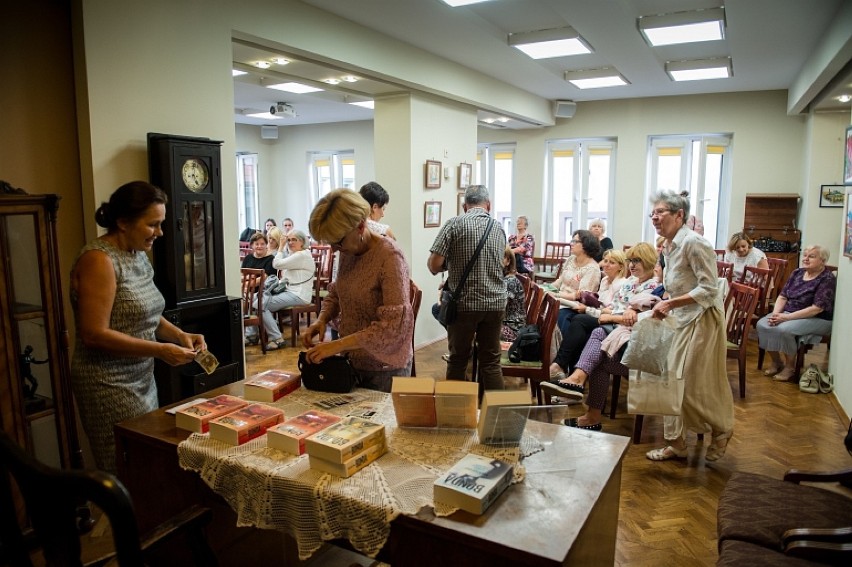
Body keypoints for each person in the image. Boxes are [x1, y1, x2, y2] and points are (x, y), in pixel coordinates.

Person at [70, 181, 205, 473]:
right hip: (108, 383)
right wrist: (160, 350)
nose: (160, 232)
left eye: (161, 224)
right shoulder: (99, 260)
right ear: (122, 222)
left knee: (147, 458)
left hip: (141, 376)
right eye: (153, 224)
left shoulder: (138, 254)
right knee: (126, 464)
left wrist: (180, 335)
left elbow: (147, 313)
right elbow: (93, 334)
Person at [646, 190, 734, 462]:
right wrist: (662, 301)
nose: (655, 217)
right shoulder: (669, 245)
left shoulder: (695, 243)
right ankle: (676, 443)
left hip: (702, 318)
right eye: (653, 213)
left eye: (660, 212)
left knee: (694, 386)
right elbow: (676, 284)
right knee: (671, 382)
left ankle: (721, 430)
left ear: (679, 215)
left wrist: (671, 304)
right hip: (681, 318)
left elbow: (709, 289)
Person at [302, 189, 413, 392]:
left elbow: (393, 327)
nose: (334, 250)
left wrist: (336, 346)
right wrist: (322, 319)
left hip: (384, 366)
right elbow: (337, 291)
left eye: (337, 242)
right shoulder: (348, 250)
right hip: (352, 360)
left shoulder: (390, 258)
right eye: (330, 243)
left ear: (360, 226)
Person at [541, 244, 659, 430]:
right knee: (595, 354)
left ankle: (576, 379)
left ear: (650, 262)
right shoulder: (630, 282)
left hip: (637, 344)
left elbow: (638, 319)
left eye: (638, 261)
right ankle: (591, 414)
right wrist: (604, 311)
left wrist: (609, 316)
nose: (633, 265)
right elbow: (615, 306)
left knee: (591, 330)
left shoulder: (653, 287)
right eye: (631, 260)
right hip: (617, 334)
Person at [428, 185, 507, 390]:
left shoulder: (454, 224)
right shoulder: (498, 228)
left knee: (458, 359)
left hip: (464, 304)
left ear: (465, 206)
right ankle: (496, 417)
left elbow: (434, 265)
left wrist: (450, 264)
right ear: (488, 205)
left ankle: (456, 416)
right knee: (491, 362)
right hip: (495, 303)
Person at [756, 245, 835, 382]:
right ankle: (777, 361)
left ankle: (790, 367)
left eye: (811, 256)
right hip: (789, 313)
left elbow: (817, 308)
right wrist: (776, 314)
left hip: (817, 318)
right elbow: (783, 296)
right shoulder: (797, 273)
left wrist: (786, 318)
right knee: (762, 325)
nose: (806, 259)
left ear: (823, 260)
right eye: (805, 255)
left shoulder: (827, 278)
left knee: (784, 329)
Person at [547, 248, 629, 380]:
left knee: (579, 320)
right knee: (575, 325)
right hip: (600, 315)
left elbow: (611, 311)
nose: (606, 264)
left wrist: (587, 309)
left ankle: (561, 365)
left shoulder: (623, 284)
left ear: (620, 266)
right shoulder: (605, 280)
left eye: (612, 262)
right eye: (606, 261)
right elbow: (602, 306)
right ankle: (567, 372)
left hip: (613, 322)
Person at [248, 230, 315, 351]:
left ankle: (277, 339)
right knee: (255, 298)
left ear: (302, 242)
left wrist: (281, 247)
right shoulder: (296, 254)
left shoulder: (301, 255)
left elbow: (276, 264)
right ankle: (252, 335)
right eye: (288, 240)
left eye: (294, 240)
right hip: (289, 291)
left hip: (298, 295)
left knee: (261, 305)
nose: (290, 242)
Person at [549, 229, 601, 330]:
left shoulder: (592, 269)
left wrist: (555, 295)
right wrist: (547, 288)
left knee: (555, 314)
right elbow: (560, 280)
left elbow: (580, 296)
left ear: (586, 245)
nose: (571, 244)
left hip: (574, 306)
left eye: (575, 241)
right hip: (560, 299)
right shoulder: (571, 259)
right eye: (572, 241)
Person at [501, 246, 526, 342]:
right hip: (507, 323)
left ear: (508, 261)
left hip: (513, 329)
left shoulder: (510, 281)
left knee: (484, 331)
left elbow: (500, 307)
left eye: (501, 257)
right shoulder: (505, 278)